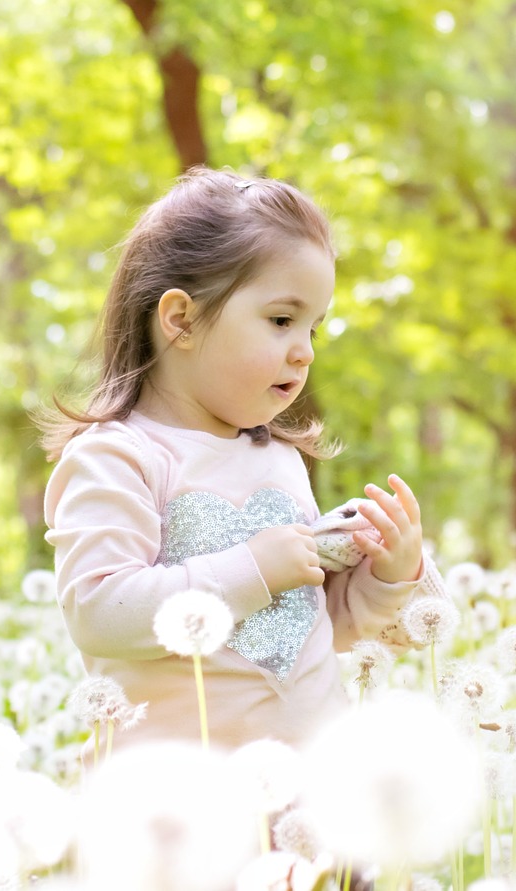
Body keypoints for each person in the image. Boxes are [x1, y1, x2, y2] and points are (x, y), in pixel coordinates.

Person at [40, 167, 443, 752]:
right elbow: (100, 612)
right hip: (181, 804)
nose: (304, 352)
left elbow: (313, 626)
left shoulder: (278, 459)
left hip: (310, 789)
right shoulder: (117, 458)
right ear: (182, 320)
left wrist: (387, 575)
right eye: (282, 320)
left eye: (313, 328)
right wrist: (251, 570)